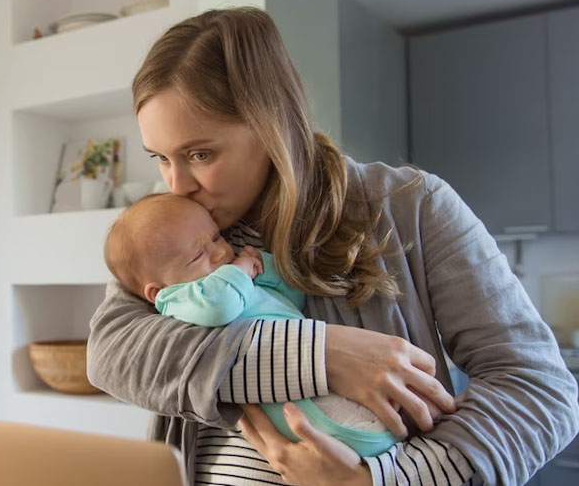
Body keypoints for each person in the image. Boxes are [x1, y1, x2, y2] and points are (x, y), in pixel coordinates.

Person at [87, 7, 579, 486]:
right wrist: (320, 356)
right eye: (160, 158)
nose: (176, 186)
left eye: (199, 154)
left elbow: (539, 390)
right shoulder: (177, 227)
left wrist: (382, 480)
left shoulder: (412, 205)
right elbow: (113, 353)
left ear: (272, 124)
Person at [103, 192, 400, 458]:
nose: (220, 252)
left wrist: (262, 266)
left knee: (366, 414)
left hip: (305, 367)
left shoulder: (229, 274)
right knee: (328, 424)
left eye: (217, 237)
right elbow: (222, 308)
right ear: (156, 291)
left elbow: (293, 296)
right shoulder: (177, 297)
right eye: (197, 255)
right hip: (283, 393)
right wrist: (242, 270)